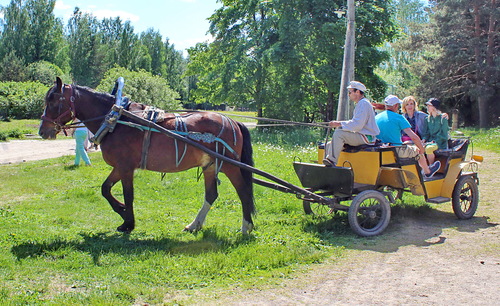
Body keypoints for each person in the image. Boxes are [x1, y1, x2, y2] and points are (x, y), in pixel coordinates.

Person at [375, 95, 440, 179]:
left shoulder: (376, 117)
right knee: (418, 150)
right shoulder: (399, 117)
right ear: (396, 106)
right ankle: (427, 172)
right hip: (396, 150)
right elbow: (414, 137)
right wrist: (422, 148)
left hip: (381, 150)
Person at [323, 81, 380, 167]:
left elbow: (357, 125)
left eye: (350, 92)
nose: (349, 94)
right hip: (361, 135)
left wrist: (338, 124)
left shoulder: (363, 104)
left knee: (339, 134)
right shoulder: (362, 103)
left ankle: (332, 161)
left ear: (357, 92)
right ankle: (328, 169)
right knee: (328, 145)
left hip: (365, 137)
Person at [422, 98, 449, 165]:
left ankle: (431, 167)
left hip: (440, 143)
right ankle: (423, 168)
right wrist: (424, 140)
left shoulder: (443, 118)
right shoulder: (427, 119)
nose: (427, 107)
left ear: (434, 107)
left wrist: (435, 141)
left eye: (429, 106)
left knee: (428, 148)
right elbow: (427, 133)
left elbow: (444, 134)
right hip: (430, 141)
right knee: (419, 148)